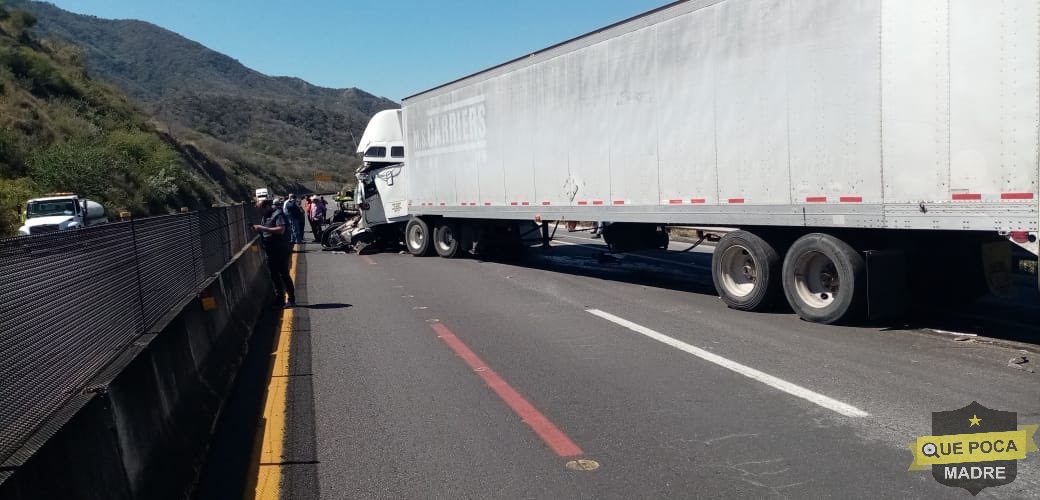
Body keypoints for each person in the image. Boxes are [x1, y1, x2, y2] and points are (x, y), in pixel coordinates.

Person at [253, 198, 296, 308]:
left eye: (261, 209)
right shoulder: (266, 216)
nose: (260, 212)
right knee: (274, 275)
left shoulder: (278, 214)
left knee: (284, 275)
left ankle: (291, 299)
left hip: (280, 250)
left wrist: (262, 228)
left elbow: (281, 229)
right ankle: (280, 299)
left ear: (267, 206)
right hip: (270, 250)